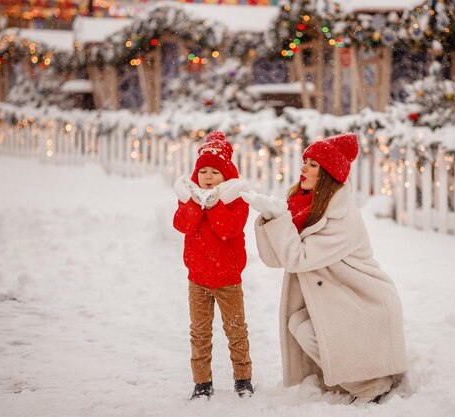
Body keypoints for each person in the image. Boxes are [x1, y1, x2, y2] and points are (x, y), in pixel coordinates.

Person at [240, 132, 407, 405]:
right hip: (338, 299)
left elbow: (298, 257)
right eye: (305, 161)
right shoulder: (305, 207)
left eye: (313, 164)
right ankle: (349, 375)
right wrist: (271, 217)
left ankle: (371, 384)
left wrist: (279, 218)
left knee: (306, 330)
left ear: (328, 174)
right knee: (298, 323)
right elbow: (276, 258)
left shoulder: (342, 219)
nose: (303, 167)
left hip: (363, 299)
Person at [173, 130, 254, 400]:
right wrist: (197, 204)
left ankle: (243, 379)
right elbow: (182, 224)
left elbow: (228, 229)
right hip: (198, 279)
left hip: (228, 279)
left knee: (236, 330)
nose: (208, 177)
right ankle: (202, 383)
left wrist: (214, 204)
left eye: (215, 173)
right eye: (203, 171)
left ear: (227, 176)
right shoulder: (189, 198)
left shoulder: (236, 199)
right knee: (199, 333)